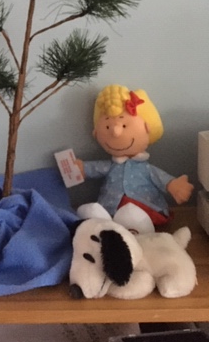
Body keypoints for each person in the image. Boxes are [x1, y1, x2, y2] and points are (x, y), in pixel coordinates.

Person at [75, 85, 193, 234]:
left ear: (147, 128)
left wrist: (174, 185)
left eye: (124, 125)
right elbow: (94, 168)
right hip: (110, 208)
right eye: (107, 127)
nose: (116, 132)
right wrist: (80, 169)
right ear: (96, 132)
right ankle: (99, 219)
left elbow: (161, 178)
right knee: (94, 212)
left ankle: (131, 227)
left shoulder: (146, 169)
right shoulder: (110, 166)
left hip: (144, 207)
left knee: (133, 215)